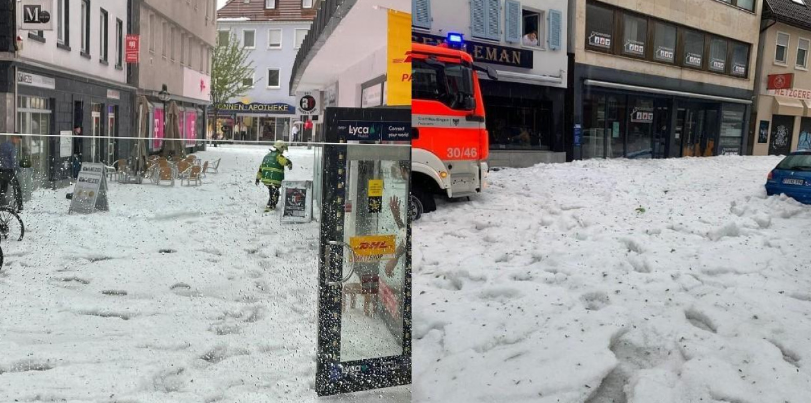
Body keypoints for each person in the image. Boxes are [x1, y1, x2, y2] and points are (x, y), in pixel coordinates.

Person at [255, 140, 293, 212]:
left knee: (272, 191)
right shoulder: (279, 156)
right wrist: (289, 163)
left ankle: (272, 204)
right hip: (275, 179)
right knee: (274, 192)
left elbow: (261, 168)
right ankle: (270, 206)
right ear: (281, 148)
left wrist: (258, 178)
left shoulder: (266, 156)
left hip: (266, 178)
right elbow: (284, 161)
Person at [0, 136, 22, 211]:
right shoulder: (12, 147)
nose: (18, 141)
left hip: (1, 171)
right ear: (13, 138)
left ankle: (1, 204)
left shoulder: (2, 145)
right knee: (17, 188)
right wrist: (17, 170)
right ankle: (20, 206)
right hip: (8, 171)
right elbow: (14, 160)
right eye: (18, 139)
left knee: (3, 189)